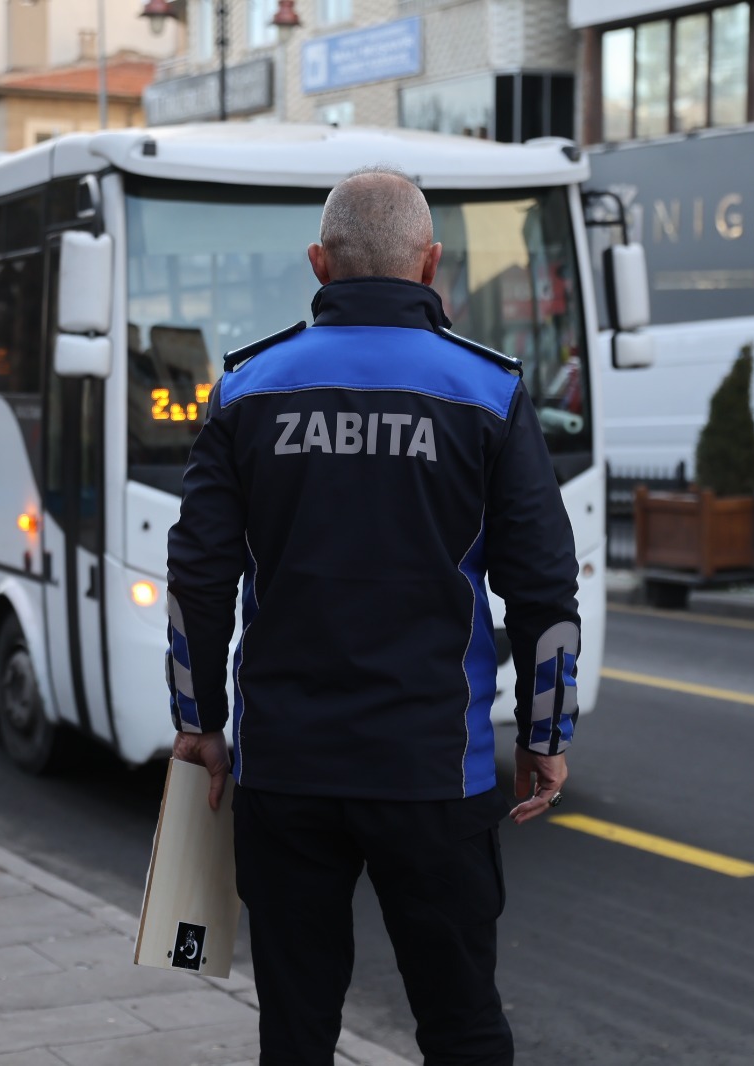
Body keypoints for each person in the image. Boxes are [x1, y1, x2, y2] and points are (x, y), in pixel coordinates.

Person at [166, 166, 581, 1066]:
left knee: (297, 1027)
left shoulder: (246, 390)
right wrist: (546, 733)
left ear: (319, 264)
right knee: (462, 1024)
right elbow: (545, 588)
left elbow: (198, 575)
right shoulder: (489, 393)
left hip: (287, 769)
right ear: (430, 264)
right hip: (435, 769)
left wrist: (199, 722)